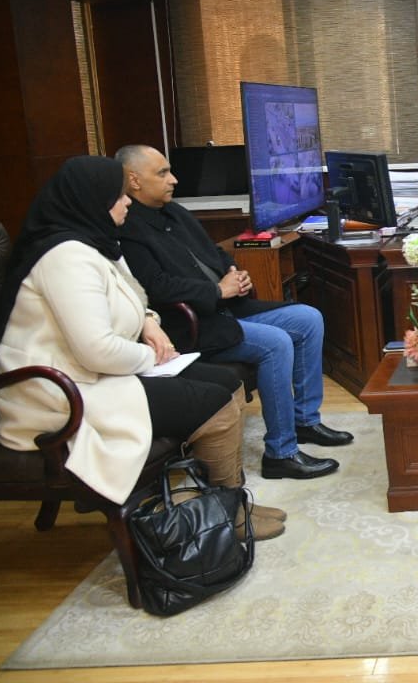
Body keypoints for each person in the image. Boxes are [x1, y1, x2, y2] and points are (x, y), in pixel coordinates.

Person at [0, 156, 284, 539]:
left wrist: (147, 320)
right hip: (61, 391)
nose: (127, 201)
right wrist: (153, 356)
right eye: (118, 195)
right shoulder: (65, 258)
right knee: (213, 402)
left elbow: (133, 294)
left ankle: (227, 502)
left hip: (98, 373)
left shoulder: (96, 244)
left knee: (228, 385)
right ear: (92, 200)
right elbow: (96, 350)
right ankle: (227, 515)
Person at [115, 144, 350, 481]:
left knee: (309, 318)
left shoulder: (174, 211)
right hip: (191, 324)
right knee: (276, 343)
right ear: (134, 180)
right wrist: (216, 291)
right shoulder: (127, 228)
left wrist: (234, 274)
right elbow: (156, 288)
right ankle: (281, 453)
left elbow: (214, 252)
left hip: (228, 308)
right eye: (162, 173)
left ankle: (305, 421)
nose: (174, 179)